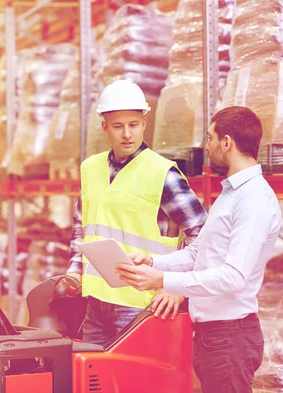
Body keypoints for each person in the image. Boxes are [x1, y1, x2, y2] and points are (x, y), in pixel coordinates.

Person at [116, 106, 281, 392]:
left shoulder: (254, 199)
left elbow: (234, 276)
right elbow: (198, 254)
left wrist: (163, 281)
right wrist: (152, 262)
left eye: (210, 138)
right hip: (213, 335)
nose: (207, 146)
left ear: (226, 142)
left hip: (230, 336)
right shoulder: (231, 195)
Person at [57, 79, 208, 346]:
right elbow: (81, 226)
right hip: (96, 301)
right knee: (96, 384)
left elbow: (205, 236)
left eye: (134, 125)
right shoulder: (90, 169)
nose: (127, 134)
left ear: (144, 123)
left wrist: (178, 286)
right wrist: (74, 272)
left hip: (141, 305)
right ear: (104, 127)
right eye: (118, 126)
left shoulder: (162, 173)